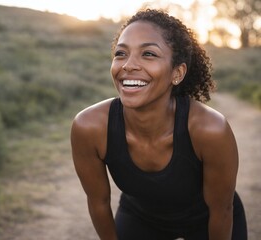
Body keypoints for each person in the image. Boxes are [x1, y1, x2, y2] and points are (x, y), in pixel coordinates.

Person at [70, 9, 247, 240]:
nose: (128, 65)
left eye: (149, 54)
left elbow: (221, 211)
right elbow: (98, 203)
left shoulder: (210, 130)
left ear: (177, 73)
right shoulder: (89, 127)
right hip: (141, 217)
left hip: (208, 219)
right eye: (121, 53)